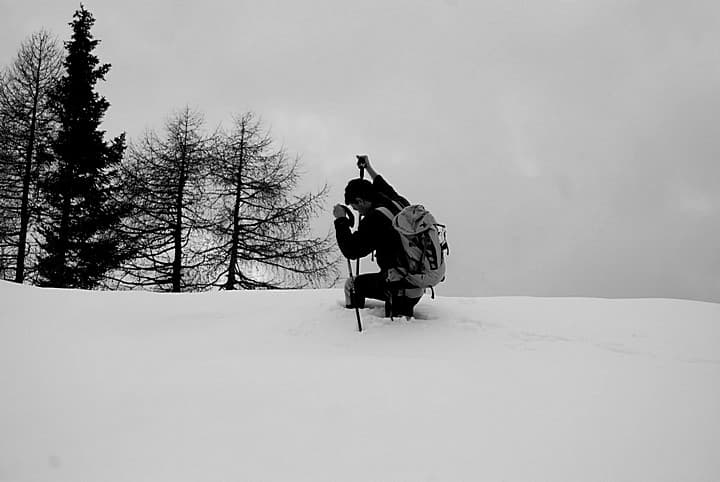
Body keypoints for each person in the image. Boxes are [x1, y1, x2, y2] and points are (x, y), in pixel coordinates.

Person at [333, 156, 424, 318]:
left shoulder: (375, 219)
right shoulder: (398, 202)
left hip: (398, 290)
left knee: (352, 285)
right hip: (417, 283)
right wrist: (368, 168)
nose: (358, 212)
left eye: (355, 208)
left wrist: (340, 220)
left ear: (360, 201)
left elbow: (351, 250)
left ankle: (349, 325)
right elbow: (382, 185)